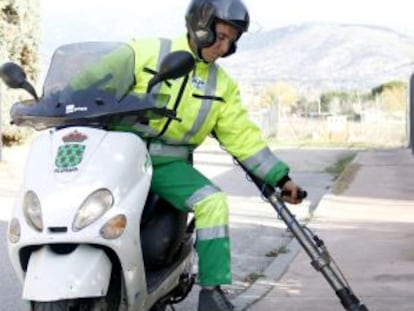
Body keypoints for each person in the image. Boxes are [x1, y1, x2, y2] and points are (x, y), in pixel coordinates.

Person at [117, 0, 304, 310]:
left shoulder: (223, 86)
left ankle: (212, 292)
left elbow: (243, 136)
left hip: (167, 163)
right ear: (200, 27)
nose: (223, 46)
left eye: (231, 41)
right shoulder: (145, 51)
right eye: (219, 36)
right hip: (119, 155)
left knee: (213, 202)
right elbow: (92, 80)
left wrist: (280, 178)